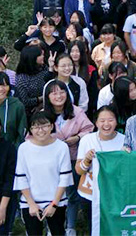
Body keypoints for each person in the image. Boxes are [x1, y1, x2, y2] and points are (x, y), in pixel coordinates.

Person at [42, 80, 93, 235]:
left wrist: (77, 138)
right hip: (50, 161)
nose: (58, 96)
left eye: (62, 92)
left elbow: (89, 129)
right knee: (52, 192)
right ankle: (52, 226)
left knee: (72, 193)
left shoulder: (77, 112)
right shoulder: (42, 114)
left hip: (73, 157)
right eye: (54, 93)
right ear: (47, 96)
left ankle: (70, 226)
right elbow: (32, 137)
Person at [14, 111, 74, 236]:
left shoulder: (61, 147)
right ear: (30, 129)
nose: (40, 130)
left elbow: (64, 178)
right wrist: (31, 204)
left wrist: (54, 204)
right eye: (35, 127)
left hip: (56, 202)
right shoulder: (24, 148)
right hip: (30, 203)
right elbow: (21, 178)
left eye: (44, 125)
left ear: (51, 126)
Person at [75, 105, 125, 227]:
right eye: (102, 121)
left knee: (115, 228)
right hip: (90, 195)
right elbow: (79, 171)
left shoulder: (124, 141)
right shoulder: (87, 140)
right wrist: (87, 160)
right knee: (94, 228)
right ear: (96, 122)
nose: (106, 124)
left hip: (115, 195)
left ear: (116, 121)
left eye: (110, 120)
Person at [15, 45, 55, 120]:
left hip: (47, 105)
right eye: (40, 55)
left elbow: (50, 82)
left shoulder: (43, 68)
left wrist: (51, 68)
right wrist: (41, 98)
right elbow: (25, 101)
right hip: (29, 113)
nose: (43, 56)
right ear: (32, 58)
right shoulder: (22, 79)